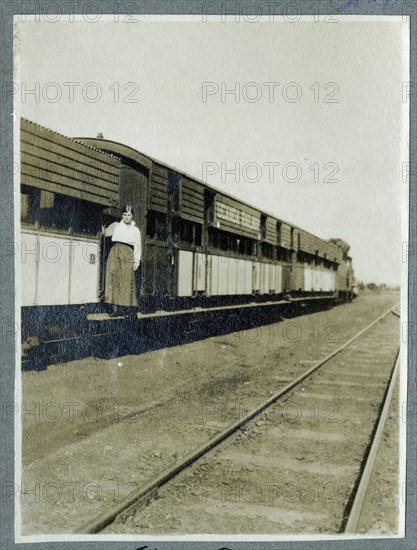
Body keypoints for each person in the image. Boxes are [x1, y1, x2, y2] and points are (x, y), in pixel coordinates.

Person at [102, 205, 141, 317]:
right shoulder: (116, 226)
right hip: (115, 251)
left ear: (132, 216)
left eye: (128, 215)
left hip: (128, 253)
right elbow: (105, 232)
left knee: (126, 281)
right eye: (124, 215)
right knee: (113, 278)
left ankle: (127, 310)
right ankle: (115, 309)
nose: (126, 217)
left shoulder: (135, 230)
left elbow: (138, 246)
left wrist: (136, 261)